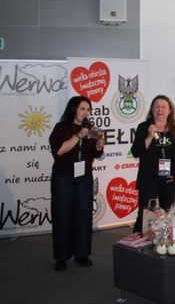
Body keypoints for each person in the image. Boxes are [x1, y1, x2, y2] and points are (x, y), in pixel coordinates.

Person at [49, 95, 104, 271]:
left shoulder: (91, 129)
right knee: (62, 215)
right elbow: (59, 150)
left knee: (84, 215)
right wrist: (79, 135)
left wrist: (99, 145)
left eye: (88, 109)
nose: (86, 112)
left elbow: (95, 154)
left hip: (84, 178)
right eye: (82, 109)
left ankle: (82, 254)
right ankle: (61, 257)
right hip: (63, 177)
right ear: (73, 109)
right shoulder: (61, 127)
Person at [131, 95, 175, 233]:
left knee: (168, 214)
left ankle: (165, 241)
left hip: (168, 179)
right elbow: (136, 152)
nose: (160, 110)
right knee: (145, 214)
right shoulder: (143, 127)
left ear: (169, 110)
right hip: (149, 179)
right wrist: (150, 136)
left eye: (163, 107)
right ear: (152, 109)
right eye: (157, 107)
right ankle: (140, 241)